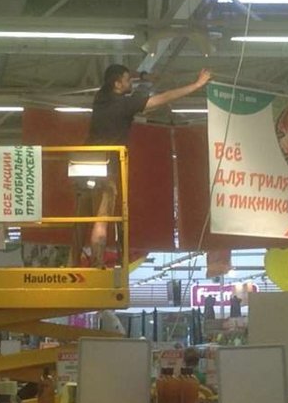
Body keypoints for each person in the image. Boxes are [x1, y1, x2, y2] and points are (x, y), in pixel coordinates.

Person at [78, 64, 213, 267]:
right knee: (102, 217)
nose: (130, 82)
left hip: (84, 161)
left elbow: (120, 75)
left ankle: (74, 258)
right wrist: (196, 85)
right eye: (127, 80)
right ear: (117, 84)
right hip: (108, 163)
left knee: (81, 216)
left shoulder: (100, 98)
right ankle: (97, 264)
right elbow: (164, 98)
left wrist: (142, 76)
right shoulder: (126, 104)